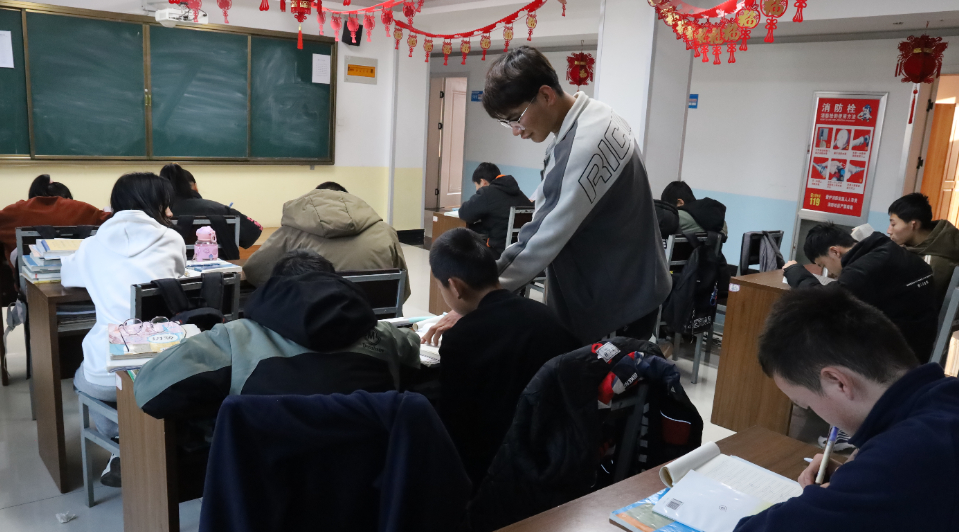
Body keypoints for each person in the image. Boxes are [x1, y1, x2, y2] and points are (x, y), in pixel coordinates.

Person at [425, 46, 671, 345]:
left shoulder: (581, 146)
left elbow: (539, 240)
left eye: (516, 118)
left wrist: (478, 297)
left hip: (614, 302)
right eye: (507, 123)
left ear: (545, 95)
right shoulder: (601, 115)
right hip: (637, 286)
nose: (516, 130)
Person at [732, 287, 959, 532]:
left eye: (804, 403)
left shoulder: (901, 459)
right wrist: (854, 474)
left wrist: (856, 484)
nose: (813, 412)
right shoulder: (946, 396)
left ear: (838, 382)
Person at [134, 249, 421, 418]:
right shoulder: (385, 335)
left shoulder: (233, 338)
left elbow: (148, 389)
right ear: (336, 284)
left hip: (264, 488)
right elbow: (414, 354)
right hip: (369, 486)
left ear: (273, 290)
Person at [60, 172, 187, 488]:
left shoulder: (92, 245)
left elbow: (66, 278)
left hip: (110, 369)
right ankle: (155, 438)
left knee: (85, 380)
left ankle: (120, 443)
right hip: (165, 363)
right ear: (155, 203)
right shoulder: (172, 239)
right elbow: (178, 277)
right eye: (166, 204)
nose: (170, 211)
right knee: (142, 376)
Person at [429, 228, 579, 487]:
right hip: (555, 456)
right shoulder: (547, 316)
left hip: (492, 470)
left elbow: (454, 422)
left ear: (455, 286)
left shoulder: (463, 337)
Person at [784, 223, 936, 364]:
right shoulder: (885, 249)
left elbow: (822, 300)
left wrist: (794, 271)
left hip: (899, 355)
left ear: (835, 251)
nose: (829, 272)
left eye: (823, 265)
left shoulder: (865, 268)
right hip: (916, 338)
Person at [242, 182, 411, 300]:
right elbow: (402, 288)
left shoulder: (291, 231)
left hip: (311, 323)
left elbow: (255, 272)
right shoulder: (385, 231)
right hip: (374, 321)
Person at [0, 175, 108, 270]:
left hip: (28, 281)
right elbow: (112, 219)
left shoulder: (16, 212)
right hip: (79, 279)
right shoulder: (82, 210)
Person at [160, 163, 262, 250]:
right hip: (217, 264)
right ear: (194, 186)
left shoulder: (155, 213)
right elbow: (252, 233)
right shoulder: (217, 209)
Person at [887, 192, 959, 307]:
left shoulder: (933, 264)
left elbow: (911, 302)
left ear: (913, 225)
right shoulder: (919, 246)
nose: (889, 231)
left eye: (893, 224)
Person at [457, 162, 534, 258]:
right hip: (520, 249)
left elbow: (464, 213)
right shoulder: (519, 194)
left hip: (497, 252)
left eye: (476, 186)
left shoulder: (487, 192)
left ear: (483, 182)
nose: (477, 190)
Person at [660, 181, 728, 237]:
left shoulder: (681, 217)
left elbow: (659, 220)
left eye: (670, 208)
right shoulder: (721, 222)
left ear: (680, 202)